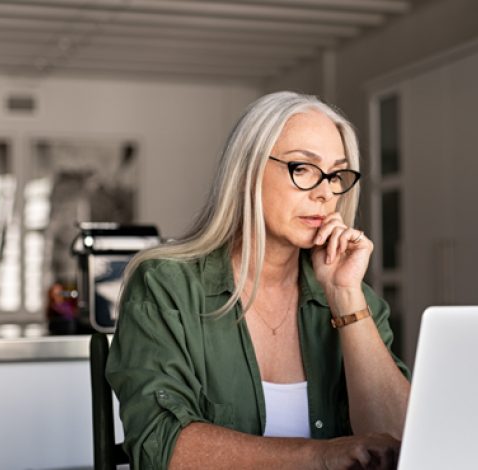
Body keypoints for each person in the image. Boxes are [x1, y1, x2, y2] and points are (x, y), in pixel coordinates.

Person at [106, 91, 411, 469]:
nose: (325, 193)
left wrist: (345, 298)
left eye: (336, 175)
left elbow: (406, 444)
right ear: (247, 169)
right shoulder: (165, 286)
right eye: (302, 168)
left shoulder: (351, 294)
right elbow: (161, 448)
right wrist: (322, 456)